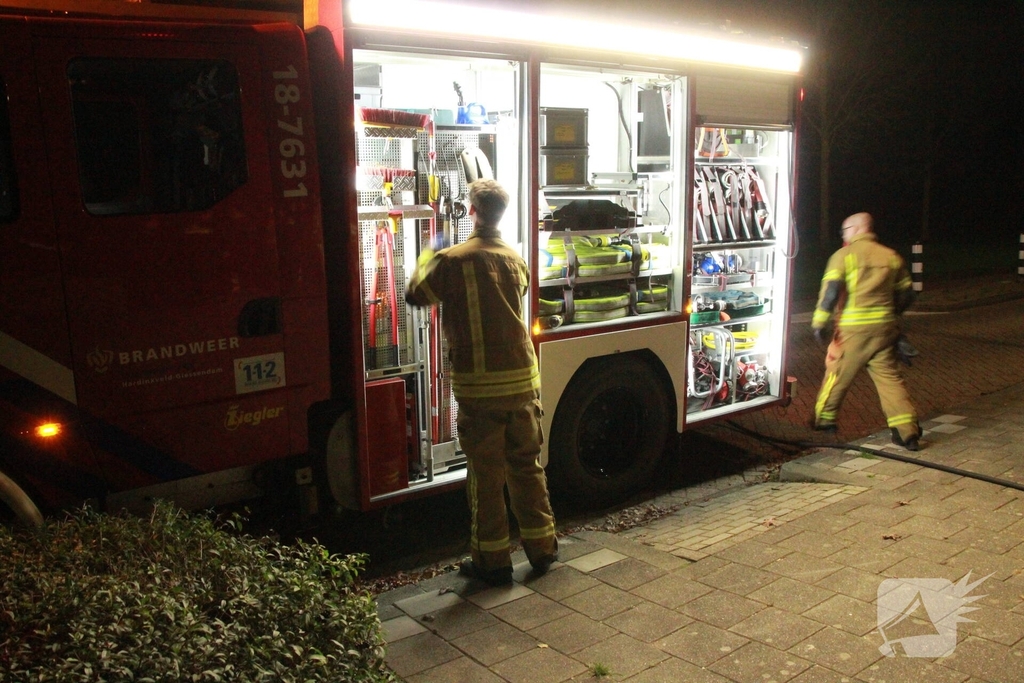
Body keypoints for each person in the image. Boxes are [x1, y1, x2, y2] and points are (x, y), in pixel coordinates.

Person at [406, 179, 558, 586]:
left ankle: (493, 563)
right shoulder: (515, 258)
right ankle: (543, 549)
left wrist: (429, 246)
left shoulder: (453, 261)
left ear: (472, 210)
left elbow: (416, 294)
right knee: (527, 466)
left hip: (480, 388)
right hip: (524, 382)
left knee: (486, 476)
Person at [810, 212, 922, 450]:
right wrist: (892, 316)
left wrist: (820, 323)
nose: (844, 235)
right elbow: (908, 294)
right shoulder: (891, 256)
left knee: (838, 373)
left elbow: (830, 292)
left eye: (844, 230)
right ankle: (907, 432)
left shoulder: (843, 256)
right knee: (890, 380)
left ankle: (823, 420)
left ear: (856, 228)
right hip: (885, 331)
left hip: (853, 331)